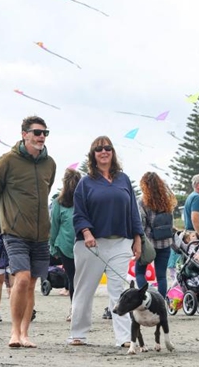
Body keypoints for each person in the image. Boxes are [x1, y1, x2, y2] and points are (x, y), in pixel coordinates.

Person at [0, 116, 57, 348]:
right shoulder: (7, 160)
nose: (41, 136)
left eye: (45, 132)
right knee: (22, 279)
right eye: (37, 132)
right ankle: (14, 332)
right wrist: (9, 215)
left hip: (41, 234)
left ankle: (25, 334)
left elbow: (47, 191)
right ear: (24, 134)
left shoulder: (50, 164)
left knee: (32, 283)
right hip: (14, 232)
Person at [68, 136, 144, 348]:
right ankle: (78, 333)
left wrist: (138, 238)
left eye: (108, 148)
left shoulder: (123, 179)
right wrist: (86, 232)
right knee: (84, 289)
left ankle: (124, 337)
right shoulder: (85, 182)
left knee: (118, 290)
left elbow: (133, 212)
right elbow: (79, 212)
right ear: (93, 154)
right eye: (99, 149)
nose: (104, 152)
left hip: (121, 241)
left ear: (113, 152)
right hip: (91, 244)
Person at [135, 172, 176, 298]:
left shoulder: (142, 202)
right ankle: (161, 302)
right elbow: (171, 221)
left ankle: (145, 298)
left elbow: (141, 223)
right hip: (165, 242)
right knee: (162, 276)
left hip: (148, 244)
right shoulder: (167, 200)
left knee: (140, 273)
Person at [49, 168, 81, 316]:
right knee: (79, 279)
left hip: (67, 245)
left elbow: (54, 226)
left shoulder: (59, 203)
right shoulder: (83, 201)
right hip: (79, 245)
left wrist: (52, 247)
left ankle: (75, 309)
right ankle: (76, 309)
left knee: (73, 278)